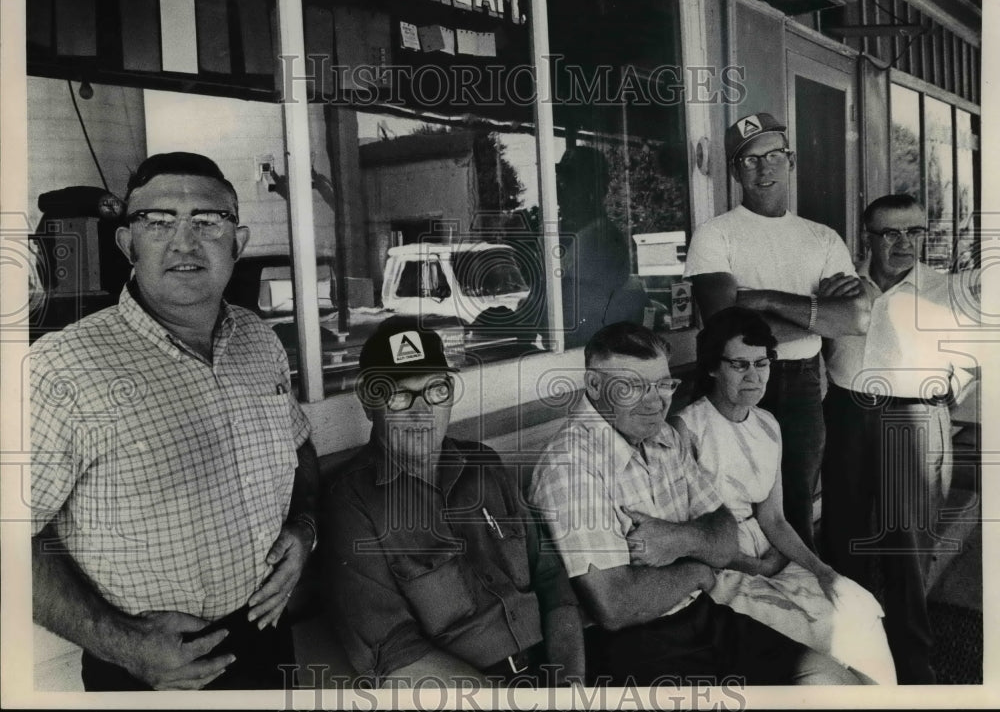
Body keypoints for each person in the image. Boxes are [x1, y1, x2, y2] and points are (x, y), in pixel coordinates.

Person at [30, 152, 320, 691]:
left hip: (267, 635)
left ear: (238, 243)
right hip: (149, 667)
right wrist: (122, 644)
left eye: (208, 222)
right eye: (158, 222)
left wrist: (304, 531)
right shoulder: (61, 368)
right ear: (127, 245)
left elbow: (298, 445)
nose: (184, 242)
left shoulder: (259, 342)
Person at [528, 321, 861, 686]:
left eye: (662, 385)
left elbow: (724, 537)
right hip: (633, 646)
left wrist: (679, 539)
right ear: (594, 385)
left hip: (701, 616)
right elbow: (616, 606)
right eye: (634, 387)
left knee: (834, 680)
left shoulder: (665, 437)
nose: (655, 401)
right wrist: (697, 571)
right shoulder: (572, 463)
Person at [323, 316, 584, 687]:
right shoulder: (352, 503)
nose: (422, 410)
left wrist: (569, 685)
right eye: (399, 394)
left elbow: (551, 579)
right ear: (369, 401)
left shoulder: (484, 464)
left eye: (436, 389)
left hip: (553, 669)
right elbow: (393, 653)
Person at [675, 307, 896, 685]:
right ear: (713, 367)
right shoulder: (686, 428)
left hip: (770, 553)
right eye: (739, 365)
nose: (754, 376)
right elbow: (686, 534)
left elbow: (773, 519)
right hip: (719, 565)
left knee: (854, 607)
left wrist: (822, 570)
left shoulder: (768, 424)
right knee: (820, 629)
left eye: (762, 363)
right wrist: (754, 566)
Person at [684, 111, 870, 550]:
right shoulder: (715, 235)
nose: (763, 167)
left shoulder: (821, 237)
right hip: (736, 376)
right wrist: (816, 311)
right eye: (749, 160)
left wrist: (763, 298)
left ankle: (799, 598)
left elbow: (853, 320)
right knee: (730, 497)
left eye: (773, 155)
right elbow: (726, 326)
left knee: (796, 499)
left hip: (803, 380)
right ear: (734, 171)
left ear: (791, 161)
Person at [822, 194, 978, 684]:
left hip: (912, 420)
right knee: (844, 540)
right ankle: (850, 655)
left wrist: (932, 407)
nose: (904, 242)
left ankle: (913, 663)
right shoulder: (840, 287)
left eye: (913, 232)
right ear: (866, 238)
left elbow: (973, 365)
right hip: (846, 416)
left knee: (906, 551)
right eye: (890, 232)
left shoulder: (944, 291)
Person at [556, 145, 653, 348]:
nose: (560, 189)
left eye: (570, 181)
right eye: (561, 180)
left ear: (594, 189)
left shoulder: (598, 239)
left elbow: (576, 308)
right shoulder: (570, 235)